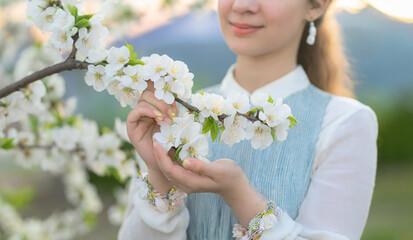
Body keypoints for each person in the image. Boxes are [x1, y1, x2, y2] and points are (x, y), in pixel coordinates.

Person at [118, 0, 378, 239]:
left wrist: (239, 194)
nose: (242, 5)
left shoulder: (345, 122)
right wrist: (160, 175)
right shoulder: (178, 112)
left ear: (316, 6)